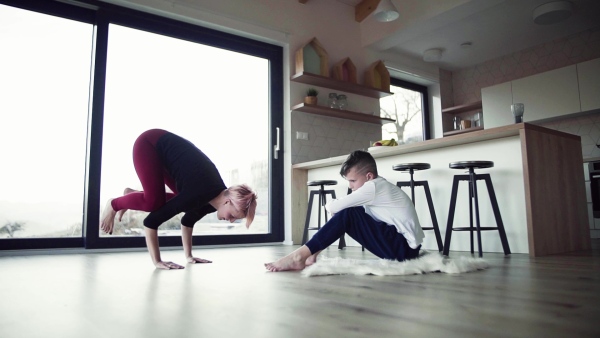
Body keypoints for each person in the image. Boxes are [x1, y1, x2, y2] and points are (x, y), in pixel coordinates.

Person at [101, 128, 257, 270]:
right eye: (234, 216)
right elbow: (151, 222)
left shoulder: (211, 200)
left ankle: (132, 195)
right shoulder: (198, 193)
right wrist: (157, 261)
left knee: (180, 202)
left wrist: (189, 257)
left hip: (167, 159)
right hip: (149, 144)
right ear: (228, 202)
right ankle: (114, 204)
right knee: (153, 202)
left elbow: (187, 221)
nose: (230, 221)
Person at [265, 150, 423, 272]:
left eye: (353, 181)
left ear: (369, 176)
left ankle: (299, 256)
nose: (350, 186)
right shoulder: (378, 186)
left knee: (348, 213)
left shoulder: (373, 186)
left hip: (403, 251)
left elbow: (333, 207)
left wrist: (334, 206)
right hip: (405, 249)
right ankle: (311, 255)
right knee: (348, 212)